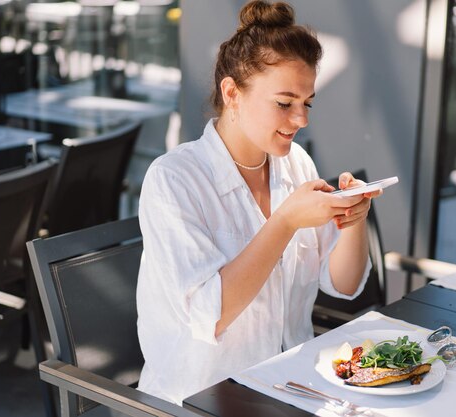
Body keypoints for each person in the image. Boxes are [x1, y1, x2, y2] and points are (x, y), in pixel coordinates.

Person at [136, 0, 383, 405]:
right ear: (232, 93)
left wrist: (353, 220)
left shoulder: (296, 164)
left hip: (290, 385)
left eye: (307, 103)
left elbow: (345, 285)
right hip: (199, 399)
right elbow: (210, 316)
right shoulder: (175, 180)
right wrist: (284, 223)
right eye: (285, 103)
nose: (301, 119)